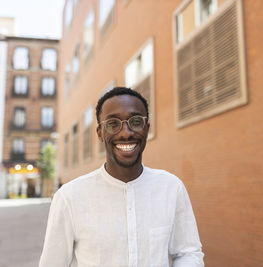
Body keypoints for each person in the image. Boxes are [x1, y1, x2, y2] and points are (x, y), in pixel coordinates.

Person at [39, 87, 204, 267]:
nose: (126, 133)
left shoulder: (171, 188)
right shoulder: (69, 197)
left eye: (135, 121)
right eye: (113, 124)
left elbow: (188, 253)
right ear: (100, 133)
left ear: (147, 128)